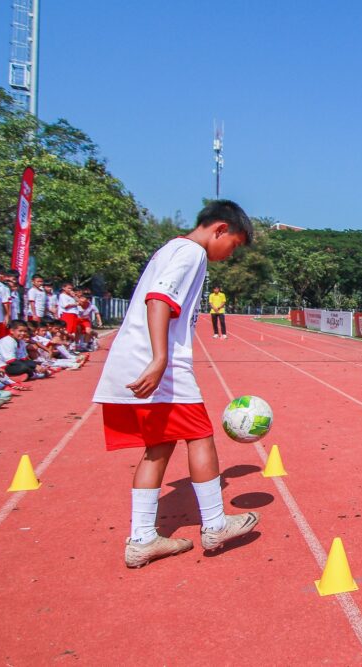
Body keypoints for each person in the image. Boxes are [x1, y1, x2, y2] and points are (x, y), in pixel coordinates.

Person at [92, 200, 259, 568]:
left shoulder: (170, 248)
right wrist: (160, 359)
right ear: (220, 229)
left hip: (133, 359)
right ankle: (215, 524)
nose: (230, 254)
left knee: (159, 446)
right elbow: (159, 300)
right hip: (160, 365)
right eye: (233, 245)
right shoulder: (191, 252)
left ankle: (142, 539)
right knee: (200, 436)